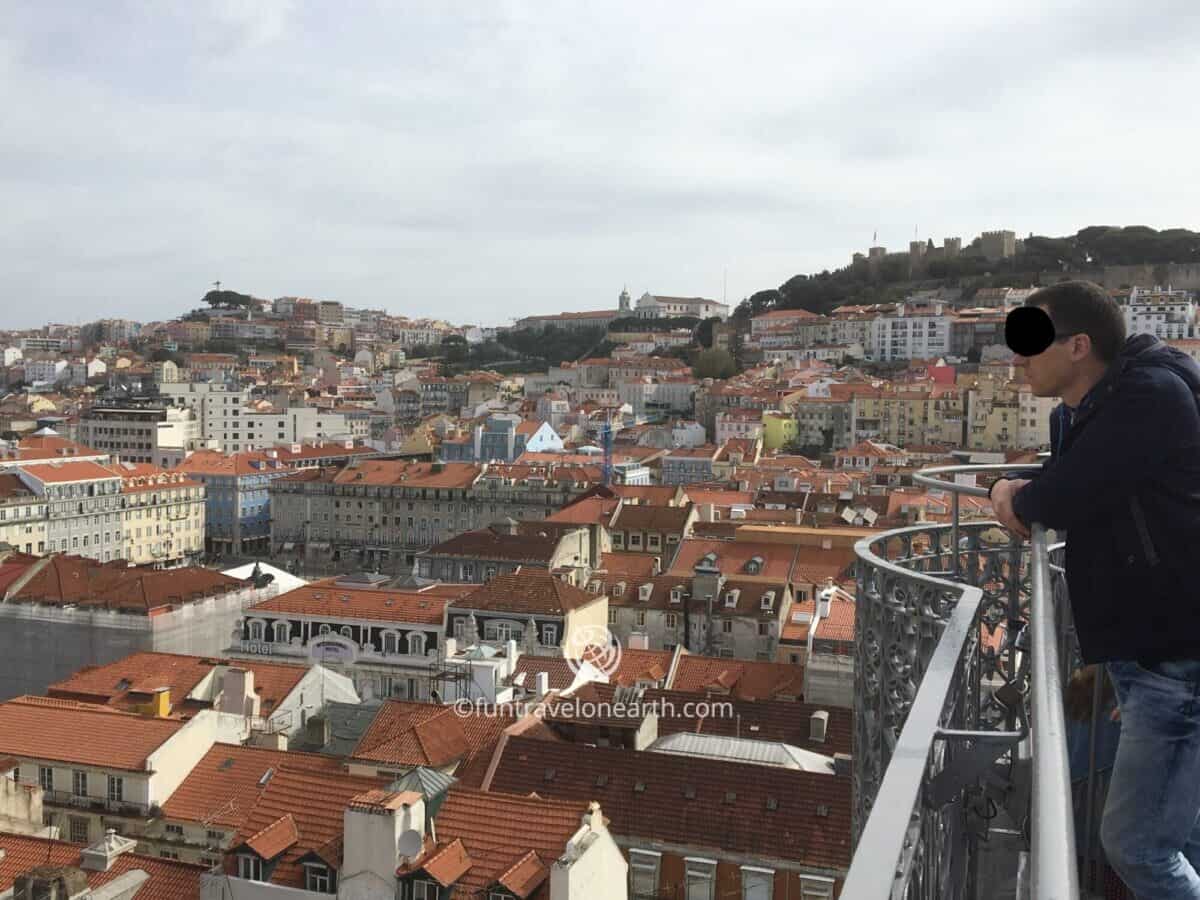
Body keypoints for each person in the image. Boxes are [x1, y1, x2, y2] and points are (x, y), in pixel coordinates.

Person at [989, 280, 1200, 898]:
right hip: (1151, 652)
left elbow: (1053, 499)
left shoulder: (1147, 398)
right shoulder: (1089, 410)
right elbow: (1079, 481)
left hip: (1177, 657)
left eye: (1031, 342)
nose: (1017, 358)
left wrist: (1009, 493)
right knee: (1180, 837)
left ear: (1079, 345)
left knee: (1137, 847)